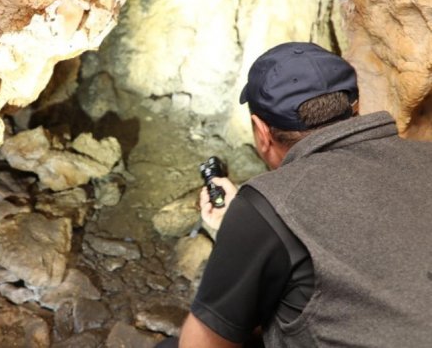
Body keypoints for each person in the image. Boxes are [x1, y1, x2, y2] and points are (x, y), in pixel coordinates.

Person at [171, 42, 432, 347]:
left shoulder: (268, 204)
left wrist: (246, 223)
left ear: (262, 132)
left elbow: (201, 343)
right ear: (356, 107)